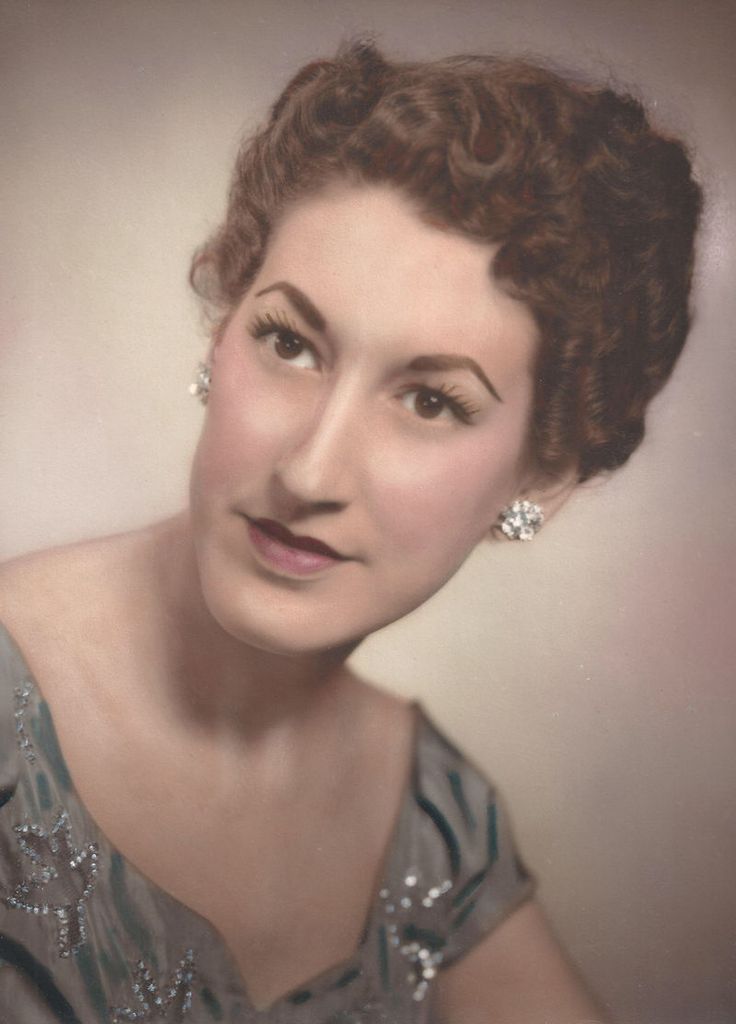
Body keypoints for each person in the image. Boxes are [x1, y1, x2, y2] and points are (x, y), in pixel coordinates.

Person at [0, 41, 701, 1023]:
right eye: (289, 342)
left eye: (430, 400)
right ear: (222, 329)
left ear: (542, 476)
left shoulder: (435, 824)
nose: (309, 473)